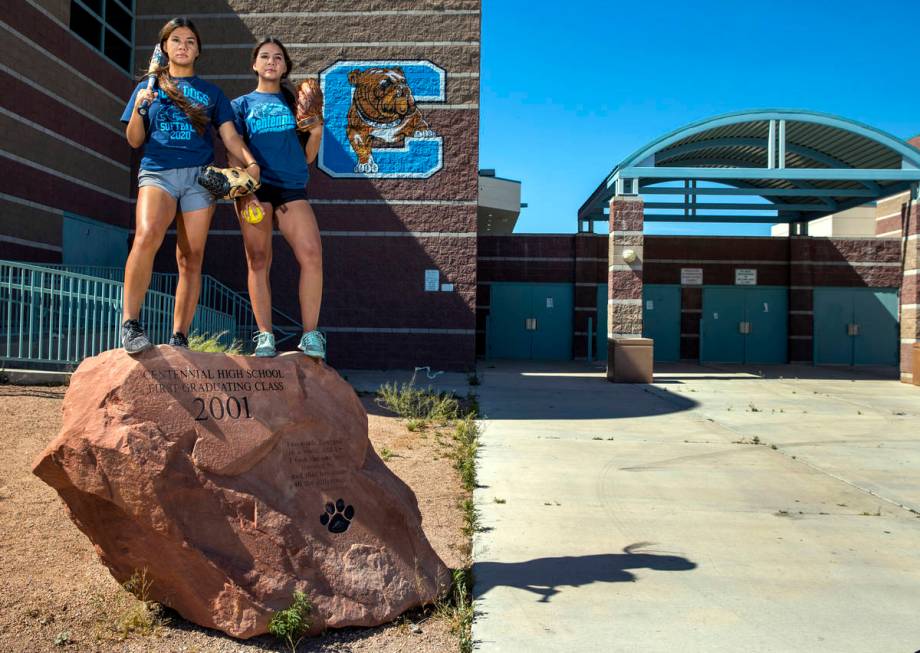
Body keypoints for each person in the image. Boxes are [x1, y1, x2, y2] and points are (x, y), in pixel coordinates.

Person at [120, 17, 261, 354]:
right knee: (147, 235)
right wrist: (143, 105)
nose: (183, 46)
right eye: (176, 40)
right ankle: (130, 324)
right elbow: (134, 140)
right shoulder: (147, 88)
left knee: (191, 257)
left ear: (198, 51)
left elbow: (229, 136)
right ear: (164, 47)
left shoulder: (212, 93)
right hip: (158, 173)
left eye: (190, 41)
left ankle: (179, 336)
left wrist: (251, 164)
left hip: (199, 178)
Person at [230, 37, 325, 358]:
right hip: (255, 190)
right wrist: (245, 195)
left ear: (285, 67)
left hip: (290, 188)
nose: (271, 61)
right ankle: (265, 336)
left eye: (278, 58)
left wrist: (316, 132)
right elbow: (233, 154)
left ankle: (311, 335)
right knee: (258, 260)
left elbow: (308, 157)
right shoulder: (240, 105)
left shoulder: (296, 104)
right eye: (265, 56)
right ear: (254, 64)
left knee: (311, 254)